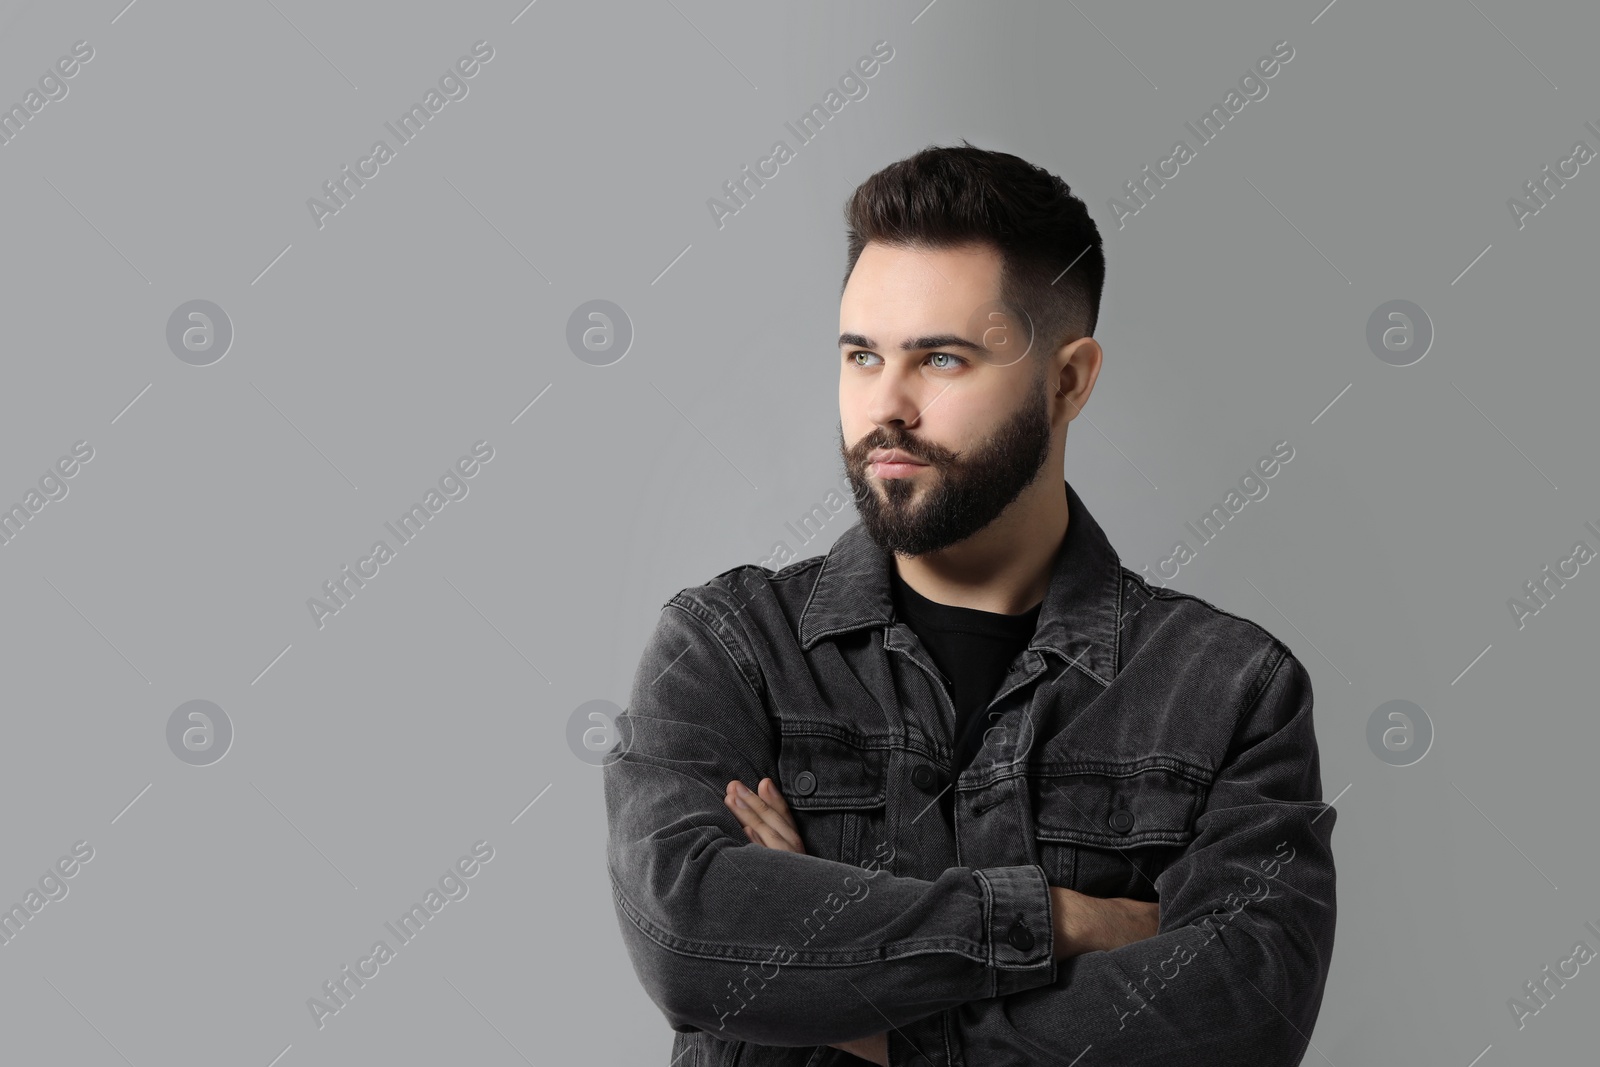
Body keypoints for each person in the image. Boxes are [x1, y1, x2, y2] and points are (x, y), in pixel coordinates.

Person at [602, 141, 1336, 1067]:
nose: (887, 407)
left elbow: (1242, 1015)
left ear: (1068, 381)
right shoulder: (730, 649)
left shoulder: (1230, 690)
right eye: (862, 355)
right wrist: (1061, 920)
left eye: (941, 360)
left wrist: (834, 982)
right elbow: (689, 941)